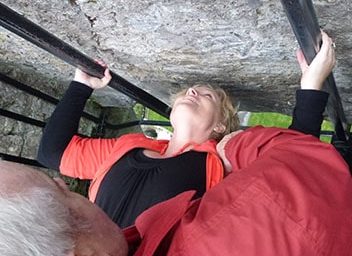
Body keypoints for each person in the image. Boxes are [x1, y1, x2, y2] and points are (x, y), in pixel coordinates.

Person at [0, 123, 352, 256]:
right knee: (341, 174)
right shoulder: (213, 164)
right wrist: (233, 145)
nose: (63, 182)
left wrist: (81, 81)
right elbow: (292, 188)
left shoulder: (133, 145)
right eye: (64, 193)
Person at [36, 31, 336, 228]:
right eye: (190, 91)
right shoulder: (128, 145)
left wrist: (311, 87)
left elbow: (290, 164)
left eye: (206, 96)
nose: (193, 91)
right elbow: (53, 152)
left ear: (219, 125)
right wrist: (81, 86)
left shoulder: (221, 162)